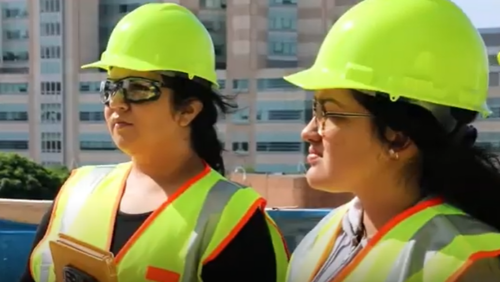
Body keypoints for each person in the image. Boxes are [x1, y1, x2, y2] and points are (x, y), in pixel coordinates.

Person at [21, 3, 289, 282]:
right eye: (110, 88)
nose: (116, 103)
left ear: (188, 110)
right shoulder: (76, 192)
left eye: (138, 88)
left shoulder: (232, 220)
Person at [283, 0, 500, 281]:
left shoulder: (465, 265)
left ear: (398, 138)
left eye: (330, 113)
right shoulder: (323, 236)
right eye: (315, 109)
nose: (308, 132)